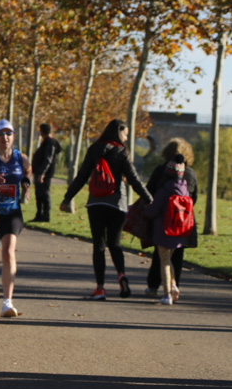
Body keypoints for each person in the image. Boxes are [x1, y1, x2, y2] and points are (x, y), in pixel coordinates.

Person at [59, 119, 152, 300]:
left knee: (99, 246)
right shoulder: (121, 152)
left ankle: (100, 288)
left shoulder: (94, 149)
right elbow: (134, 180)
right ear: (118, 132)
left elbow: (82, 176)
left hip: (95, 204)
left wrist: (68, 198)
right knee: (115, 244)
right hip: (117, 203)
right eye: (125, 133)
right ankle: (121, 275)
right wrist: (149, 199)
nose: (126, 137)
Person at [0, 119, 30, 317]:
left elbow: (27, 172)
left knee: (9, 252)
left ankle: (7, 302)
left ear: (14, 137)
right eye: (0, 134)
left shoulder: (21, 157)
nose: (5, 137)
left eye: (8, 133)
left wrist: (26, 184)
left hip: (12, 212)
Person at [144, 138, 199, 299]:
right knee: (178, 255)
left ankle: (155, 286)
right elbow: (194, 197)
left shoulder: (161, 171)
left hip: (163, 220)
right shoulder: (191, 174)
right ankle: (175, 286)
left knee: (160, 256)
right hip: (184, 220)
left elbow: (150, 192)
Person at [30, 122, 61, 222]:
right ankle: (39, 214)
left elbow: (49, 158)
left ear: (42, 132)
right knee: (39, 194)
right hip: (40, 172)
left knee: (44, 193)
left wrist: (42, 173)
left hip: (44, 174)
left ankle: (45, 215)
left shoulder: (50, 142)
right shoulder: (47, 141)